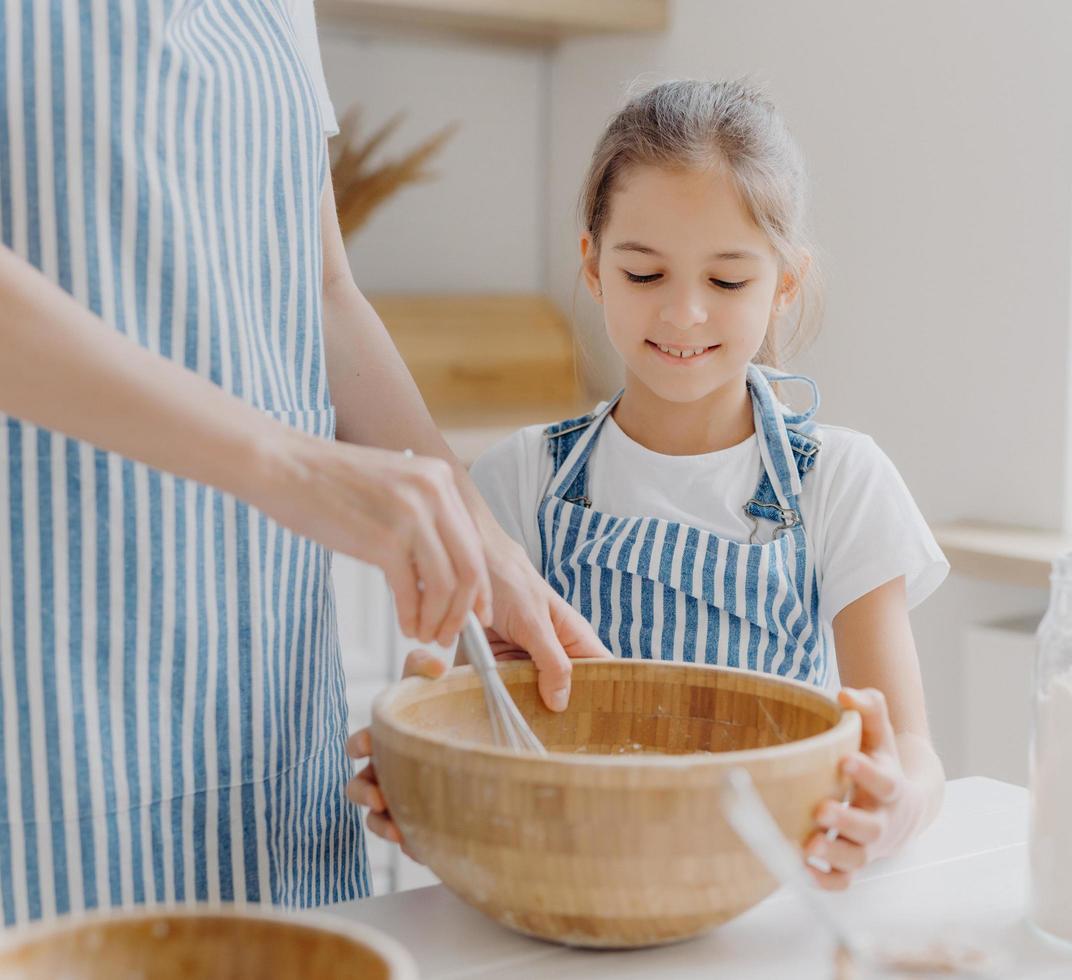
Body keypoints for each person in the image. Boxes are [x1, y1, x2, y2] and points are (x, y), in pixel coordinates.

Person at [0, 0, 603, 924]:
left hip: (256, 674)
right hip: (41, 653)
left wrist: (480, 540)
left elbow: (321, 288)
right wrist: (286, 464)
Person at [350, 79, 949, 889]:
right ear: (593, 268)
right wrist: (425, 782)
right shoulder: (521, 479)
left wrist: (894, 809)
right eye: (644, 275)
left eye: (728, 282)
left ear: (785, 284)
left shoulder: (839, 481)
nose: (683, 316)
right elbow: (468, 717)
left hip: (755, 901)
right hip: (557, 888)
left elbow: (909, 750)